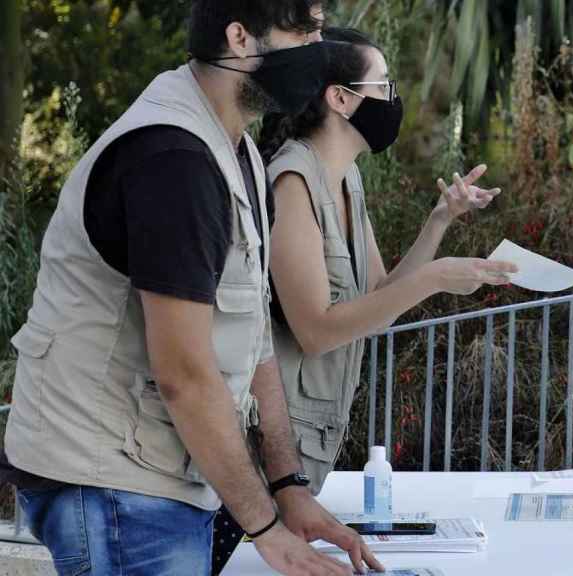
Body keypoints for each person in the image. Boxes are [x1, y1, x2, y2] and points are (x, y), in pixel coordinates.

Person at [0, 2, 385, 575]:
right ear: (239, 38)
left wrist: (289, 487)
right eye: (304, 32)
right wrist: (266, 528)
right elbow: (184, 374)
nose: (320, 50)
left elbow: (250, 336)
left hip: (154, 478)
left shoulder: (239, 151)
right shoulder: (173, 159)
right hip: (111, 485)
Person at [207, 27, 517, 573]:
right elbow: (317, 329)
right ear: (341, 97)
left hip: (312, 445)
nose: (392, 99)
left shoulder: (346, 179)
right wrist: (438, 277)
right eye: (383, 84)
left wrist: (439, 222)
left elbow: (378, 298)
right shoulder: (291, 183)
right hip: (265, 457)